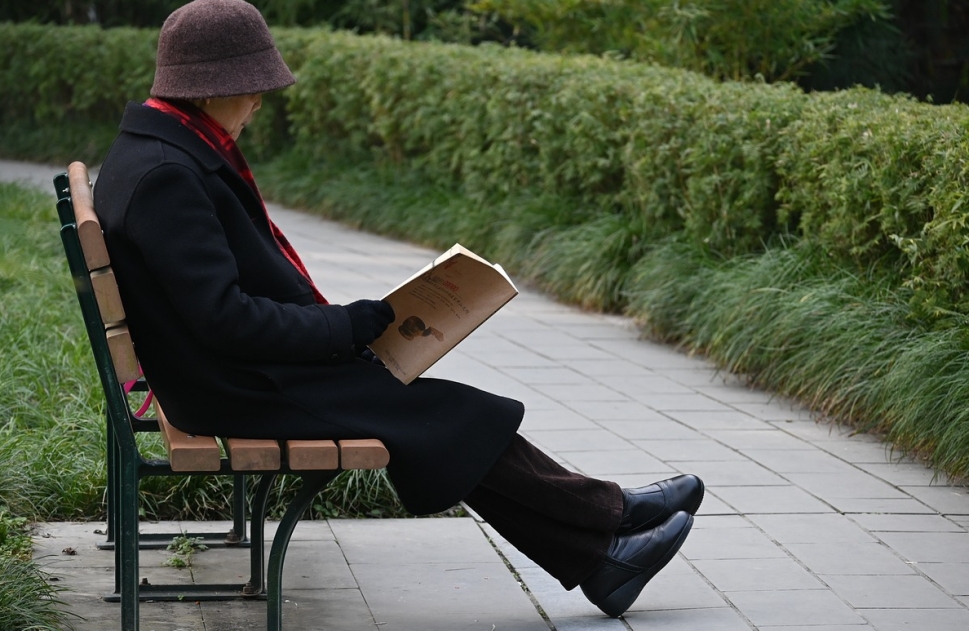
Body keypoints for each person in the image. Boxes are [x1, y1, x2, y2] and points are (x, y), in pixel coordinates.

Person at [93, 0, 703, 619]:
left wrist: (349, 329)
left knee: (442, 416)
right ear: (217, 88)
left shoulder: (159, 152)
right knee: (443, 415)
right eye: (255, 91)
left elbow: (216, 310)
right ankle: (611, 524)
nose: (258, 104)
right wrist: (345, 325)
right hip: (234, 384)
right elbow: (225, 317)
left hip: (231, 371)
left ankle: (604, 549)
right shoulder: (169, 173)